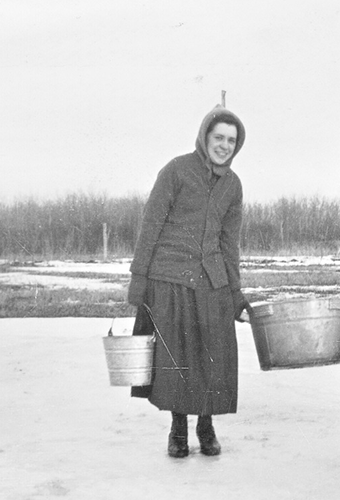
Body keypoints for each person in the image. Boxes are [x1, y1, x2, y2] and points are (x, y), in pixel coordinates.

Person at [127, 104, 250, 458]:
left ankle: (206, 425)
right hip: (169, 278)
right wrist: (139, 281)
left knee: (213, 356)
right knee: (176, 357)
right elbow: (150, 226)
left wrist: (235, 293)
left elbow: (230, 244)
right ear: (205, 137)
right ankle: (178, 428)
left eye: (231, 140)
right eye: (218, 137)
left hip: (211, 282)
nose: (224, 145)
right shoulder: (177, 171)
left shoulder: (233, 186)